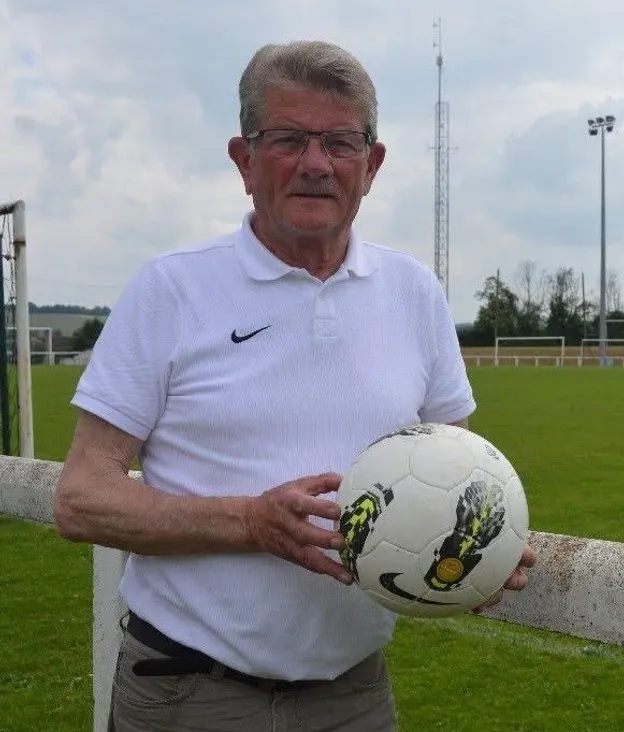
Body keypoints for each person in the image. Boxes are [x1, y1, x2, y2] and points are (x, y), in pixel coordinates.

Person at [53, 39, 536, 732]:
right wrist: (248, 521)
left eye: (340, 142)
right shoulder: (173, 288)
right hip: (189, 694)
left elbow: (457, 475)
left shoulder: (413, 293)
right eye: (287, 139)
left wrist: (484, 547)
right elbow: (80, 497)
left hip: (354, 698)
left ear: (371, 166)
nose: (316, 163)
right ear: (244, 160)